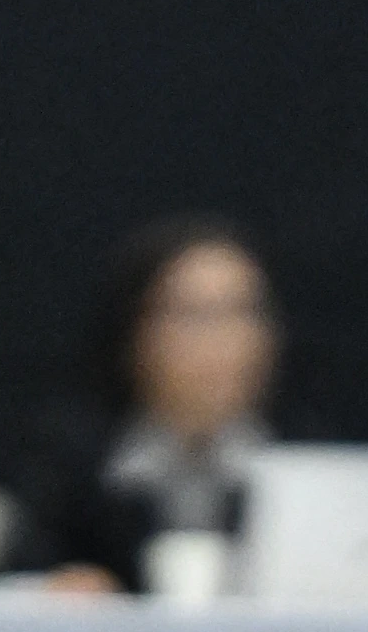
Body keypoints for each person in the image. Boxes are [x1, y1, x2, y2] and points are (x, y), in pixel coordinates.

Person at [16, 224, 285, 594]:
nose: (223, 338)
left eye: (243, 312)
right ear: (135, 330)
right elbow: (24, 572)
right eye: (196, 315)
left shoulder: (309, 460)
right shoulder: (74, 465)